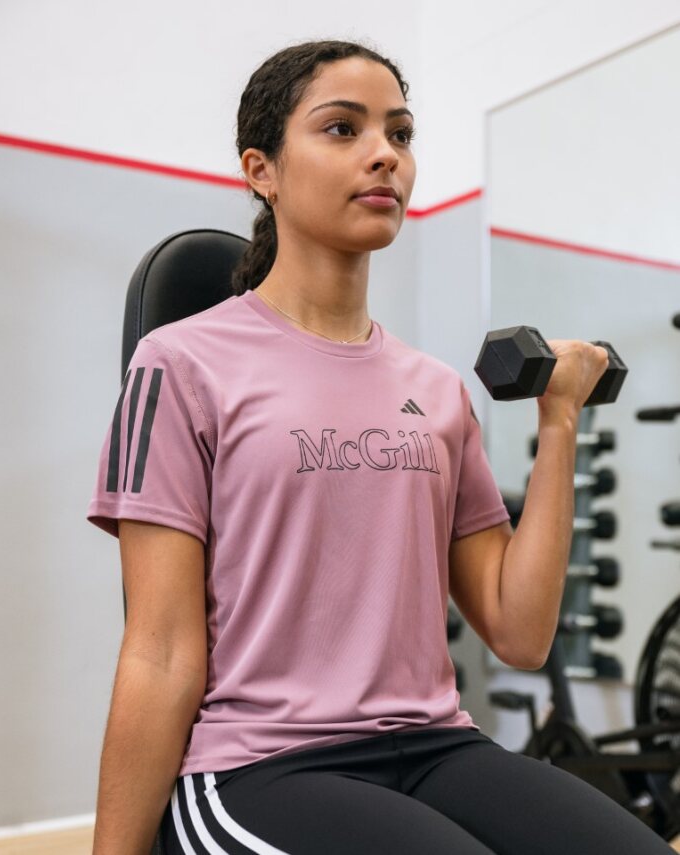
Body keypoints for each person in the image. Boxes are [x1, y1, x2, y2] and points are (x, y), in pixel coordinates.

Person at [86, 38, 674, 855]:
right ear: (262, 170)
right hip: (262, 765)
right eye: (342, 129)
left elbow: (520, 630)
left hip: (436, 745)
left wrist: (559, 423)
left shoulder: (435, 389)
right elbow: (159, 649)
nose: (384, 156)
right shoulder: (182, 364)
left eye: (400, 133)